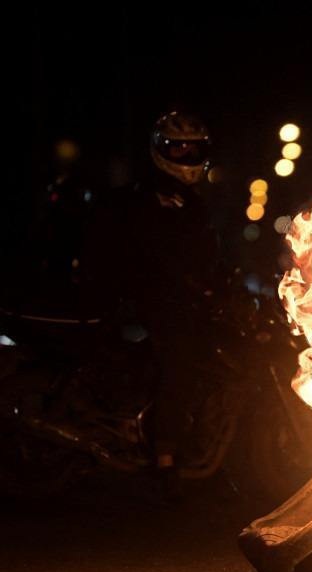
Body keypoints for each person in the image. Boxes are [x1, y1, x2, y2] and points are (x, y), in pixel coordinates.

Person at [85, 110, 220, 494]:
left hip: (163, 299)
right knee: (181, 363)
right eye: (177, 148)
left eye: (193, 149)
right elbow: (159, 254)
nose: (186, 156)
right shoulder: (150, 196)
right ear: (161, 150)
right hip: (140, 300)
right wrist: (196, 284)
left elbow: (203, 253)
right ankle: (166, 458)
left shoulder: (187, 199)